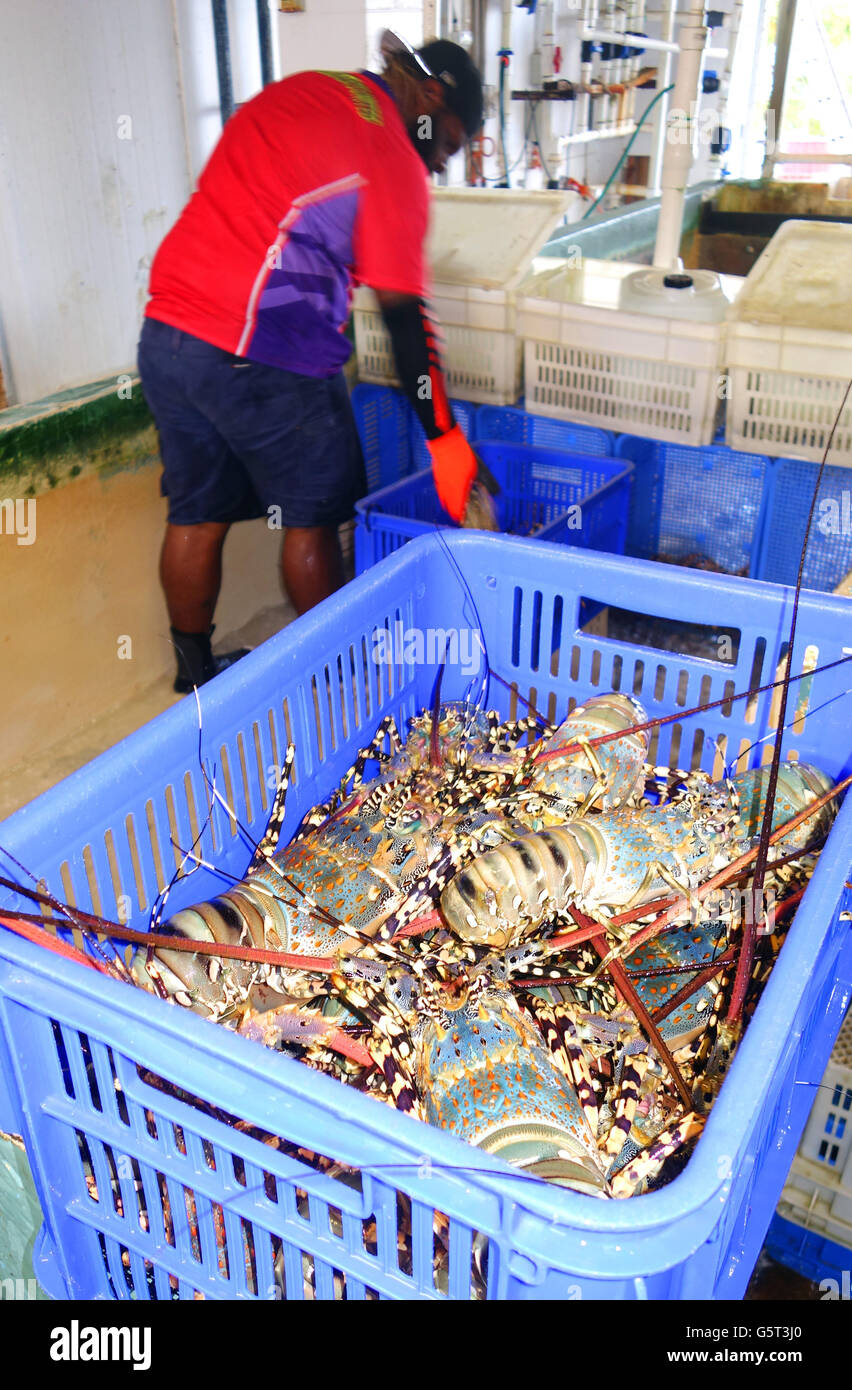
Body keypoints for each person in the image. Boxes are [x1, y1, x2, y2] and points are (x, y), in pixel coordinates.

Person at [138, 35, 484, 693]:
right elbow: (403, 318)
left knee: (195, 512)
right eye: (448, 146)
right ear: (432, 99)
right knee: (314, 517)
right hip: (267, 349)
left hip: (170, 335)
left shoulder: (313, 89)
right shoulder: (392, 156)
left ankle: (194, 675)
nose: (438, 165)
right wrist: (443, 436)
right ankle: (342, 677)